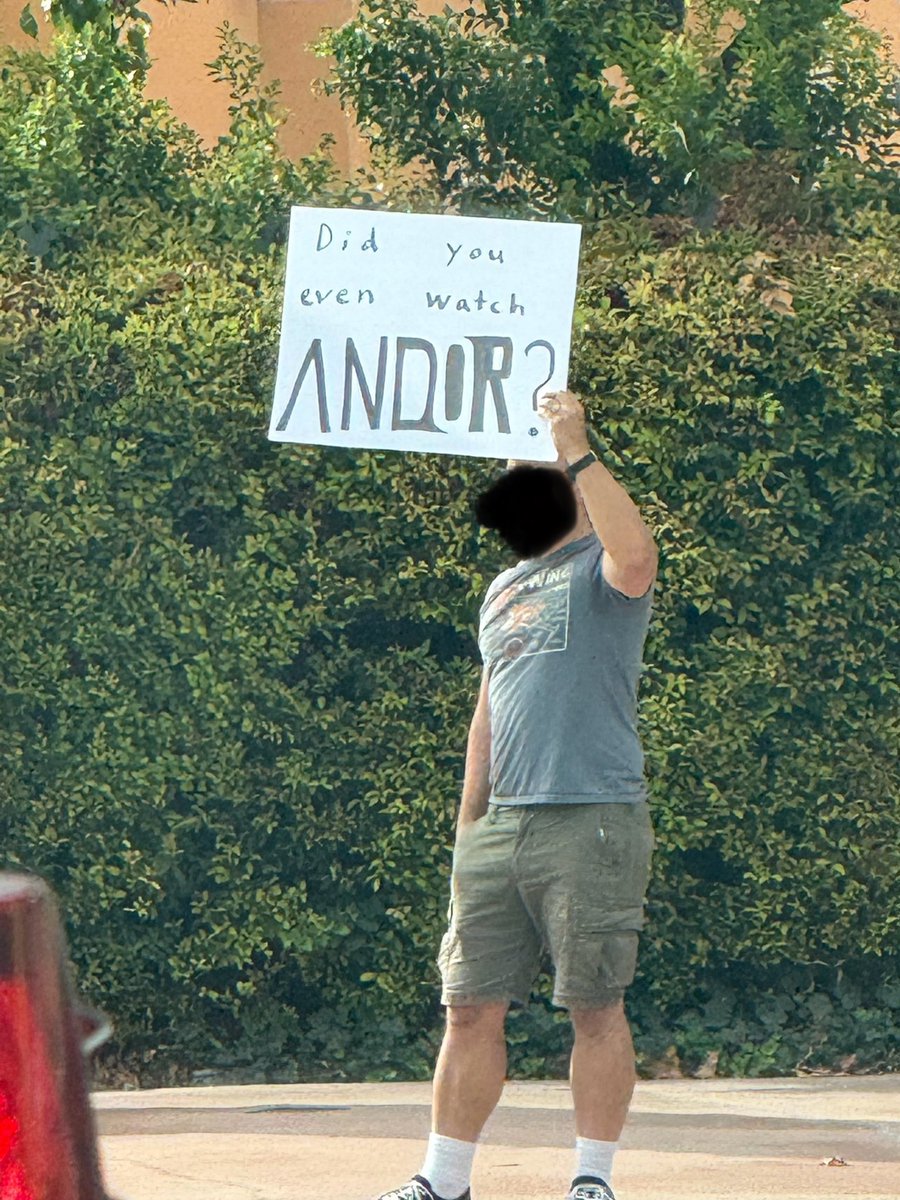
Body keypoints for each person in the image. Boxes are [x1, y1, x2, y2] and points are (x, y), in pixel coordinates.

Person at [374, 391, 658, 1200]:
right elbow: (488, 711)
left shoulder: (603, 568)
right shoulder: (504, 589)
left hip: (591, 816)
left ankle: (592, 1181)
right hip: (501, 828)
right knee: (468, 1007)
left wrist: (574, 442)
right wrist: (470, 826)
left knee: (595, 1007)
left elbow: (637, 555)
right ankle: (443, 1180)